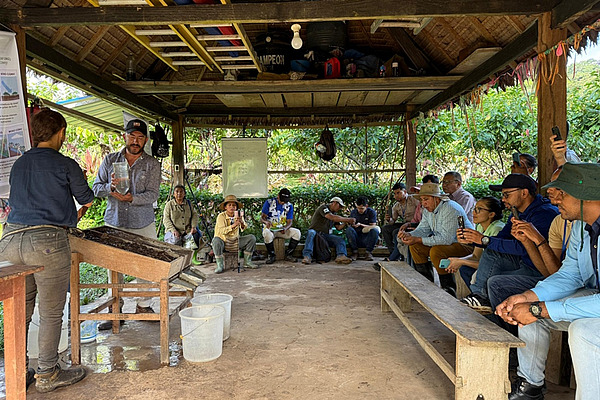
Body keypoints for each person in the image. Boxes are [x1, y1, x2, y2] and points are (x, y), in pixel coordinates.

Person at [0, 109, 93, 392]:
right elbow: (86, 198)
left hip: (11, 240)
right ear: (60, 133)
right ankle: (48, 373)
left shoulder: (19, 164)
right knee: (51, 312)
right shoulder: (65, 164)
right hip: (47, 244)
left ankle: (19, 372)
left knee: (20, 310)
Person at [496, 162, 600, 400]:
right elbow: (570, 275)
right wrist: (527, 298)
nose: (555, 200)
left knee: (584, 330)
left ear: (588, 196)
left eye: (562, 193)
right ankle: (530, 388)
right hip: (594, 298)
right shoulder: (581, 227)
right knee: (529, 313)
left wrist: (541, 308)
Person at [93, 118, 161, 328]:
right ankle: (116, 310)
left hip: (143, 222)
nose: (135, 140)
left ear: (146, 140)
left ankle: (143, 306)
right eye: (132, 136)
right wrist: (110, 188)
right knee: (113, 267)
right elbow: (95, 188)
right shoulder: (110, 160)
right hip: (115, 221)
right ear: (124, 136)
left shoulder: (151, 164)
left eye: (140, 137)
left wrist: (133, 198)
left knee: (148, 265)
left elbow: (152, 194)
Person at [460, 174, 558, 312]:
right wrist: (473, 240)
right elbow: (503, 239)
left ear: (524, 193)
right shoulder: (516, 212)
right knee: (485, 257)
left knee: (495, 283)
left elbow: (526, 248)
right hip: (523, 262)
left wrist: (484, 240)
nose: (503, 199)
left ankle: (495, 319)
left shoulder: (545, 214)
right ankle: (480, 298)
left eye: (507, 194)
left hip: (540, 270)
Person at [487, 166, 572, 315]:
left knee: (497, 284)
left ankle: (500, 324)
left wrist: (537, 238)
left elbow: (562, 279)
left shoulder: (546, 214)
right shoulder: (559, 221)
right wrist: (527, 241)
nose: (549, 191)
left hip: (568, 286)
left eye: (559, 188)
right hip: (556, 279)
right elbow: (551, 273)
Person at [398, 183, 474, 295]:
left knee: (436, 251)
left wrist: (418, 239)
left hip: (465, 246)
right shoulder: (428, 210)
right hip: (447, 244)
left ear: (436, 199)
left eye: (426, 199)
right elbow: (423, 229)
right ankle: (426, 284)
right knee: (415, 246)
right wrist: (410, 235)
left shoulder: (450, 208)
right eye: (422, 200)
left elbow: (446, 240)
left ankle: (448, 288)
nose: (423, 203)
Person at [446, 196, 505, 286]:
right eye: (474, 208)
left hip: (498, 268)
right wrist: (457, 261)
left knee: (466, 269)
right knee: (464, 269)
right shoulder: (480, 226)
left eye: (479, 209)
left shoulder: (498, 229)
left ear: (491, 214)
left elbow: (491, 266)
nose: (473, 212)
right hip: (488, 265)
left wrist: (461, 261)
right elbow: (476, 255)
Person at [301, 197, 355, 265]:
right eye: (340, 206)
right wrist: (348, 219)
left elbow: (338, 227)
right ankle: (307, 256)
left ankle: (341, 255)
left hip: (325, 235)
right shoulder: (324, 208)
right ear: (334, 203)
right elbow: (331, 217)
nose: (340, 208)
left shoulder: (334, 214)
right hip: (316, 232)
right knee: (311, 232)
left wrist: (345, 223)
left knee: (340, 240)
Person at [212, 194, 257, 273]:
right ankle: (220, 265)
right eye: (229, 205)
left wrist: (241, 223)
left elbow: (244, 228)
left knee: (251, 238)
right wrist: (234, 225)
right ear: (225, 207)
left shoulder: (238, 215)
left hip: (235, 242)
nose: (232, 207)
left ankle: (247, 261)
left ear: (236, 207)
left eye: (234, 205)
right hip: (224, 241)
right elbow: (222, 231)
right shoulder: (221, 216)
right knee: (216, 241)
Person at [260, 188, 301, 264]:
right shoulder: (269, 202)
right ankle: (272, 255)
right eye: (281, 200)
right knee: (266, 234)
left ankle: (289, 254)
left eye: (285, 201)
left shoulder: (289, 206)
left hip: (281, 229)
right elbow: (262, 218)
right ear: (278, 196)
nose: (282, 202)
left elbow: (290, 221)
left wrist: (285, 228)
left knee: (297, 232)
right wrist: (266, 222)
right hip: (270, 229)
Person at [381, 183, 419, 260]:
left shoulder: (414, 199)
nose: (396, 196)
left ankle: (394, 257)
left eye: (398, 193)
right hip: (405, 224)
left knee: (396, 232)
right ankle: (393, 253)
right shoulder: (396, 206)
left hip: (416, 224)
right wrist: (389, 219)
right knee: (385, 228)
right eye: (394, 193)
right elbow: (393, 221)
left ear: (404, 192)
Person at [346, 196, 379, 261]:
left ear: (366, 206)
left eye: (362, 208)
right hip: (356, 237)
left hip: (366, 238)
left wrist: (361, 224)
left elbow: (373, 225)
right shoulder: (353, 212)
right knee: (349, 230)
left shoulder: (371, 212)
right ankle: (355, 252)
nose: (359, 210)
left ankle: (368, 252)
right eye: (358, 208)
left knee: (375, 230)